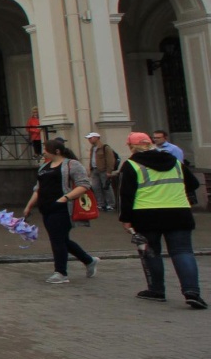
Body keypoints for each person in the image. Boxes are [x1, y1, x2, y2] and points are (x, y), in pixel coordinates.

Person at [119, 131, 204, 309]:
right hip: (178, 212)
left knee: (151, 252)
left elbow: (126, 195)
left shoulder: (132, 165)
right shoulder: (174, 161)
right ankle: (192, 292)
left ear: (131, 147)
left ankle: (157, 290)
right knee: (183, 252)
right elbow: (194, 184)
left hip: (146, 214)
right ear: (151, 143)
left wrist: (126, 219)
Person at [21, 137, 99, 284]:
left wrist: (65, 198)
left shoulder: (72, 164)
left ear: (56, 151)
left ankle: (61, 273)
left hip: (62, 208)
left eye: (46, 150)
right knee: (62, 240)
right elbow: (38, 189)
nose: (43, 152)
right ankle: (89, 261)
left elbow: (84, 185)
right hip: (46, 208)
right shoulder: (44, 167)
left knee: (57, 240)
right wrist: (29, 206)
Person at [85, 132, 117, 212]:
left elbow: (110, 159)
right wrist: (90, 169)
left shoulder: (105, 147)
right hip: (94, 169)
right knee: (96, 187)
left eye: (90, 138)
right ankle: (100, 204)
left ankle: (111, 204)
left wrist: (109, 170)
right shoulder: (93, 148)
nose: (89, 140)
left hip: (103, 170)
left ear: (97, 138)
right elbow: (92, 159)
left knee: (106, 187)